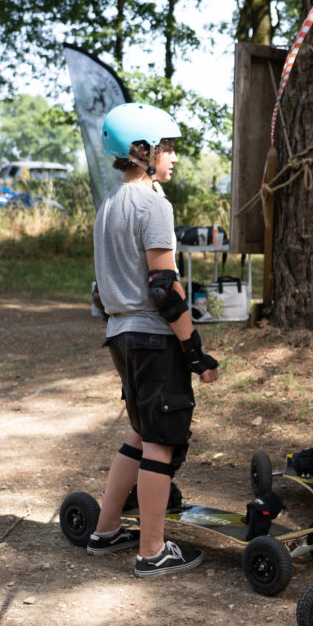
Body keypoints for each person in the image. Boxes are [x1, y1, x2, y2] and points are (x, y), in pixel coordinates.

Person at [87, 102, 219, 576]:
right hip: (151, 336)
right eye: (167, 148)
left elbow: (101, 290)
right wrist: (194, 350)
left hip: (119, 334)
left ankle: (104, 531)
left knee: (142, 432)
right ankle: (151, 550)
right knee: (162, 442)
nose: (174, 157)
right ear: (141, 151)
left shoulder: (108, 206)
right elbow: (164, 288)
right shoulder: (153, 204)